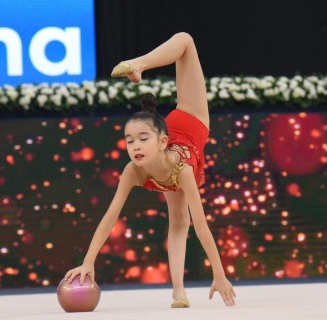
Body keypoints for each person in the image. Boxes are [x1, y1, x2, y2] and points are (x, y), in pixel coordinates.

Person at [64, 32, 236, 308]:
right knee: (177, 222)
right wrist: (88, 261)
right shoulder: (133, 170)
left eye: (143, 139)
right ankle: (178, 292)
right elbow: (110, 218)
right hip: (166, 157)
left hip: (190, 118)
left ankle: (139, 65)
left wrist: (219, 273)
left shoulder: (183, 171)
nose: (135, 146)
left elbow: (202, 227)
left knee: (186, 40)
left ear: (161, 141)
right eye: (129, 141)